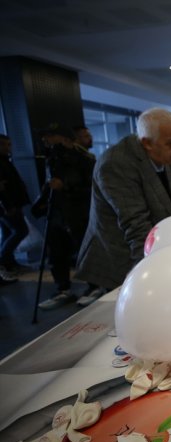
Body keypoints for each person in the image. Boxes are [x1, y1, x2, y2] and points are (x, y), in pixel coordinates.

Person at [75, 108, 171, 291]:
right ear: (147, 143)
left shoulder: (163, 154)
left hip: (156, 250)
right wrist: (151, 277)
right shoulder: (115, 164)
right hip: (120, 258)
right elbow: (136, 225)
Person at [36, 129, 97, 309]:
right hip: (57, 213)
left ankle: (94, 286)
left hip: (79, 213)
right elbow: (49, 185)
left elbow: (92, 189)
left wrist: (66, 186)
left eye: (49, 138)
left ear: (64, 138)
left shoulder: (85, 160)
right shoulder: (53, 160)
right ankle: (63, 289)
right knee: (56, 253)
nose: (46, 142)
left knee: (84, 251)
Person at [0, 134, 30, 284]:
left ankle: (9, 263)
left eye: (8, 144)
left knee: (7, 233)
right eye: (4, 145)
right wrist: (8, 205)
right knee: (20, 230)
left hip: (11, 204)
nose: (7, 147)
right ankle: (3, 259)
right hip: (8, 206)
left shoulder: (5, 161)